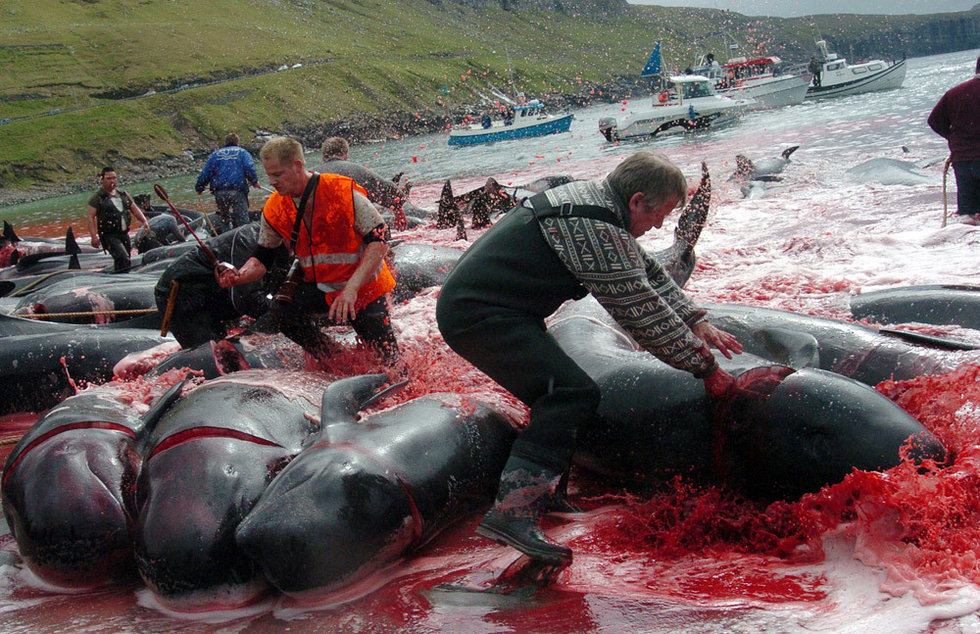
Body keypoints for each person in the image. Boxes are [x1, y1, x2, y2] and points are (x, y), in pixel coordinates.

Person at [436, 151, 743, 566]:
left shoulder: (596, 204)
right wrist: (705, 369)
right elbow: (640, 311)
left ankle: (545, 492)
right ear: (636, 201)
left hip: (501, 309)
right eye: (660, 215)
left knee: (555, 388)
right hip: (478, 315)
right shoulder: (594, 227)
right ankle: (513, 514)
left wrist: (696, 320)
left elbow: (648, 271)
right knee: (569, 393)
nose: (659, 226)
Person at [217, 136, 401, 368]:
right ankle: (337, 359)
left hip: (364, 288)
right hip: (322, 288)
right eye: (268, 175)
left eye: (278, 175)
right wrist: (240, 275)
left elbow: (381, 238)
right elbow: (263, 257)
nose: (272, 182)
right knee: (281, 312)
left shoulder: (341, 192)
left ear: (297, 166)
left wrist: (352, 289)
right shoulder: (275, 207)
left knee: (390, 364)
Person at [155, 223, 285, 348]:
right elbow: (246, 299)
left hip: (215, 295)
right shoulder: (248, 239)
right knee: (211, 353)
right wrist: (282, 314)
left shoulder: (289, 248)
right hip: (182, 293)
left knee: (222, 344)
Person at [928, 55, 980, 224]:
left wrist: (954, 139)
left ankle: (957, 247)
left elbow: (933, 121)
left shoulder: (954, 92)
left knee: (967, 217)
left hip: (962, 162)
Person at [317, 137, 411, 217]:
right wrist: (399, 212)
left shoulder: (311, 174)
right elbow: (390, 189)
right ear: (346, 155)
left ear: (323, 157)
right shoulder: (356, 170)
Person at [86, 167, 150, 273]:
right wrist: (93, 237)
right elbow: (90, 218)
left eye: (114, 178)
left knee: (126, 259)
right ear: (102, 179)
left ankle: (120, 278)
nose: (112, 181)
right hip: (108, 235)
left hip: (124, 233)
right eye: (109, 178)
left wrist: (144, 221)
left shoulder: (123, 195)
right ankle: (122, 279)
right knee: (123, 258)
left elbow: (135, 209)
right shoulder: (97, 198)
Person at [195, 132, 260, 233]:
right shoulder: (242, 153)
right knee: (242, 220)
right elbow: (249, 169)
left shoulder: (216, 154)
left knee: (224, 219)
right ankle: (244, 238)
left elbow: (206, 172)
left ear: (225, 143)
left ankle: (226, 238)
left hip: (220, 192)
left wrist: (200, 187)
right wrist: (254, 181)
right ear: (237, 142)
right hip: (237, 191)